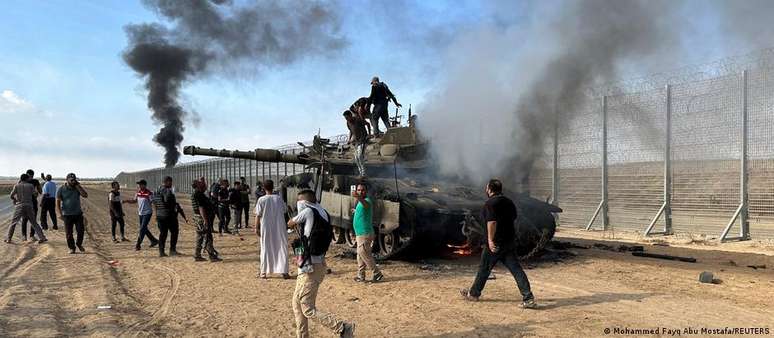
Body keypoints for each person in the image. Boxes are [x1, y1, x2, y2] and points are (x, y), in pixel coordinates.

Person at [459, 179, 537, 309]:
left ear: (489, 189)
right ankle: (528, 298)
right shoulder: (509, 202)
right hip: (509, 242)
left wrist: (490, 240)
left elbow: (492, 222)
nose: (485, 189)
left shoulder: (490, 203)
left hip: (495, 244)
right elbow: (514, 218)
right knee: (516, 270)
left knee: (484, 268)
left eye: (486, 187)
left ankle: (473, 294)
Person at [287, 189, 355, 338]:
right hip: (309, 263)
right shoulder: (323, 212)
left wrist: (293, 219)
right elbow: (306, 241)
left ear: (304, 202)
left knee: (307, 308)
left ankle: (343, 328)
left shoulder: (308, 212)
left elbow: (290, 222)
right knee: (296, 304)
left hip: (311, 267)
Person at [254, 179, 289, 279]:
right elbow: (285, 210)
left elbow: (257, 215)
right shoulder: (278, 198)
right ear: (273, 187)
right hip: (279, 227)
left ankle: (263, 272)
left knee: (266, 247)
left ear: (263, 188)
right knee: (281, 247)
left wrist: (256, 228)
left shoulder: (261, 199)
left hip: (266, 227)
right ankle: (284, 271)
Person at [351, 183, 383, 282]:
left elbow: (365, 204)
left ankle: (377, 273)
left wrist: (357, 197)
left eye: (363, 190)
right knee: (360, 255)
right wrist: (355, 211)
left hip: (365, 233)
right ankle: (361, 275)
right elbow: (363, 211)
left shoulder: (367, 201)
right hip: (360, 233)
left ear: (366, 191)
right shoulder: (360, 203)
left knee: (364, 254)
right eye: (359, 190)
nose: (361, 191)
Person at [5, 173, 48, 244]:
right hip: (29, 205)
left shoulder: (17, 185)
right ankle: (42, 237)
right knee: (34, 222)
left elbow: (11, 195)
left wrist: (15, 200)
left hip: (19, 205)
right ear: (26, 179)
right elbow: (35, 194)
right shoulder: (30, 186)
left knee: (13, 222)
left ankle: (9, 239)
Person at [191, 178, 221, 262]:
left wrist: (203, 181)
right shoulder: (198, 194)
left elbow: (204, 187)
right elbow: (201, 208)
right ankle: (212, 256)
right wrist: (205, 220)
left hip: (198, 217)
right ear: (197, 185)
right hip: (202, 217)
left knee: (200, 236)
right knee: (207, 236)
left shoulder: (198, 192)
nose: (202, 183)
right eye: (199, 183)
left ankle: (197, 255)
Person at [123, 179, 159, 251]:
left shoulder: (149, 193)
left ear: (144, 185)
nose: (139, 185)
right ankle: (154, 240)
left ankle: (138, 245)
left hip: (148, 213)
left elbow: (154, 204)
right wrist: (126, 201)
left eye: (140, 184)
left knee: (142, 228)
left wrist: (156, 214)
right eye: (138, 184)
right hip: (141, 213)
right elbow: (134, 201)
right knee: (144, 229)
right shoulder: (138, 193)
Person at [57, 173, 88, 253]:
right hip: (67, 215)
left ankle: (79, 244)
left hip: (78, 214)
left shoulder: (77, 188)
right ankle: (72, 248)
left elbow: (85, 195)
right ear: (67, 180)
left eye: (74, 180)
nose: (73, 181)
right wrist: (60, 213)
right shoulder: (61, 189)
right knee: (69, 233)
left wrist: (78, 186)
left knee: (80, 230)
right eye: (71, 180)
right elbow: (58, 201)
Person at [153, 176, 183, 257]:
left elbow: (154, 203)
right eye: (170, 182)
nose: (171, 184)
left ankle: (161, 252)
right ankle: (172, 250)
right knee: (174, 232)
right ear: (166, 182)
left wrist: (156, 214)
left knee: (163, 234)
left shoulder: (156, 190)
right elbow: (167, 200)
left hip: (160, 215)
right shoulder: (167, 190)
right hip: (169, 215)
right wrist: (174, 207)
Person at [344, 110, 368, 177]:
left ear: (350, 115)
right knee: (356, 157)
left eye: (347, 117)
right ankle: (360, 173)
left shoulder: (358, 119)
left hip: (363, 140)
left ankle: (363, 173)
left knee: (360, 156)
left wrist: (369, 134)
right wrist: (349, 139)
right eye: (345, 118)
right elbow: (351, 131)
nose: (346, 119)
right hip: (356, 141)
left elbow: (368, 124)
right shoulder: (348, 123)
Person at [21, 169, 42, 239]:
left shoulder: (21, 181)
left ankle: (24, 236)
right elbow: (40, 191)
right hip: (33, 202)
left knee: (24, 219)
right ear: (33, 175)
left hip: (24, 202)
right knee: (33, 220)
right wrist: (36, 193)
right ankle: (32, 235)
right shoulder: (35, 181)